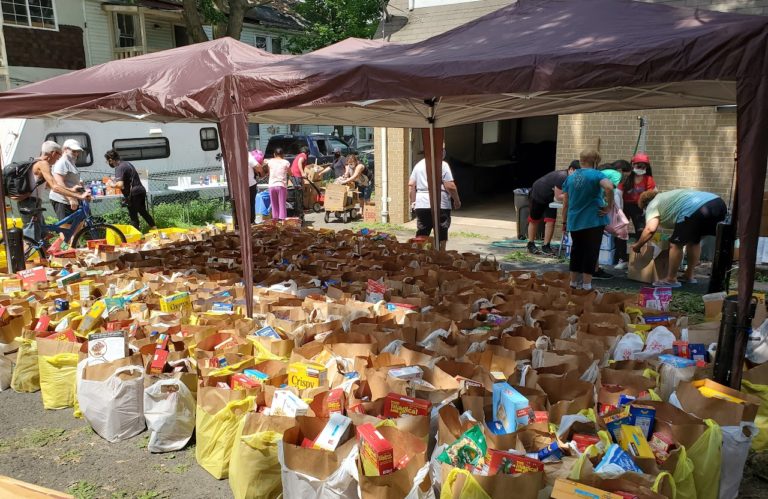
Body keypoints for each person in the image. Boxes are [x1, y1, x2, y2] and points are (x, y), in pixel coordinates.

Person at [633, 189, 726, 287]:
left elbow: (650, 229)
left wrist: (638, 245)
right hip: (718, 204)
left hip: (695, 209)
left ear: (644, 205)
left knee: (675, 244)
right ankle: (689, 275)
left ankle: (671, 279)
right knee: (694, 241)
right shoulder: (666, 198)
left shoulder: (652, 204)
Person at [562, 149, 614, 290]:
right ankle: (586, 285)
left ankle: (573, 283)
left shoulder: (570, 177)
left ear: (580, 160)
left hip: (575, 220)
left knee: (577, 250)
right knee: (591, 251)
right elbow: (609, 187)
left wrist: (564, 221)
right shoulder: (597, 175)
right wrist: (609, 206)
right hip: (593, 220)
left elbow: (565, 202)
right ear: (596, 162)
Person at [15, 141, 90, 240]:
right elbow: (55, 187)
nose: (58, 159)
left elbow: (48, 186)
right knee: (32, 238)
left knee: (43, 236)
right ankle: (21, 255)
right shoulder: (43, 164)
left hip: (32, 202)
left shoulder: (35, 161)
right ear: (54, 153)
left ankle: (46, 254)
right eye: (58, 156)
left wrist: (70, 189)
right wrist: (78, 196)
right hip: (29, 203)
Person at [408, 150, 461, 251]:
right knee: (441, 231)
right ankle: (441, 254)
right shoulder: (443, 165)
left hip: (422, 203)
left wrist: (413, 202)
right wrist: (457, 200)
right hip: (440, 202)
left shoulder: (418, 165)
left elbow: (411, 185)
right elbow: (450, 186)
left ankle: (419, 254)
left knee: (423, 231)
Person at [527, 160, 580, 255]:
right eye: (577, 173)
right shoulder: (562, 177)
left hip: (550, 199)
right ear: (571, 169)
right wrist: (571, 195)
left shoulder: (573, 178)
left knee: (550, 221)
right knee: (534, 220)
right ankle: (530, 244)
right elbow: (558, 197)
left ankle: (546, 246)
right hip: (538, 193)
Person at [616, 153, 657, 269]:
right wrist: (618, 209)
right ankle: (622, 259)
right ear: (633, 165)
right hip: (625, 206)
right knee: (621, 232)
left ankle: (640, 258)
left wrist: (647, 209)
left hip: (639, 207)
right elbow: (618, 193)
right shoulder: (625, 178)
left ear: (647, 167)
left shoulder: (649, 179)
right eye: (638, 165)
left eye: (643, 166)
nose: (640, 168)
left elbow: (651, 195)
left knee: (641, 231)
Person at [105, 149, 156, 231]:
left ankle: (136, 238)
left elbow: (120, 185)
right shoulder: (126, 163)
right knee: (143, 211)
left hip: (133, 194)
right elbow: (127, 178)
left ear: (111, 160)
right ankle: (155, 230)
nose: (108, 163)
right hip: (140, 190)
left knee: (133, 216)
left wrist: (111, 185)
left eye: (107, 161)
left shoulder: (119, 167)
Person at [49, 139, 86, 220]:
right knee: (66, 228)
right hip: (62, 199)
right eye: (74, 151)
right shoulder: (62, 162)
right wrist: (71, 198)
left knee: (77, 225)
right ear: (65, 149)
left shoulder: (70, 161)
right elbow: (59, 182)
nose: (76, 153)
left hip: (71, 198)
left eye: (78, 151)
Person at [266, 148, 290, 221]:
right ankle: (283, 222)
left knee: (274, 205)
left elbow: (269, 173)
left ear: (274, 154)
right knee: (282, 204)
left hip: (272, 185)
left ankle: (275, 222)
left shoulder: (270, 162)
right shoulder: (286, 162)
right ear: (283, 155)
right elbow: (290, 172)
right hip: (281, 185)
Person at [248, 149, 264, 224]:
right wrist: (262, 174)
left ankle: (239, 223)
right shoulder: (246, 154)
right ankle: (251, 222)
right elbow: (257, 166)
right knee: (251, 204)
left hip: (236, 185)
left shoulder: (230, 154)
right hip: (249, 184)